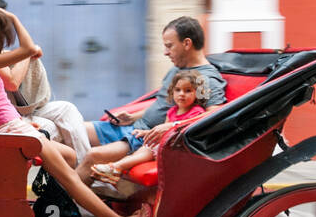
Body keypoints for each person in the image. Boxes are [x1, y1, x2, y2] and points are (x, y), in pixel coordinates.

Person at [0, 6, 149, 217]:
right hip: (14, 131)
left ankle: (59, 204)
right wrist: (15, 18)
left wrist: (22, 124)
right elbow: (28, 49)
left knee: (69, 157)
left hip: (15, 127)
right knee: (71, 179)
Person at [76, 15, 227, 183]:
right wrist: (132, 117)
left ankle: (64, 206)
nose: (165, 52)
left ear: (186, 44)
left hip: (145, 139)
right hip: (133, 127)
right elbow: (162, 104)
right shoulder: (177, 70)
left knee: (92, 156)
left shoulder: (206, 78)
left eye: (169, 46)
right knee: (71, 128)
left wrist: (171, 126)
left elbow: (214, 114)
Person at [0, 0, 92, 159]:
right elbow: (12, 82)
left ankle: (85, 167)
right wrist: (27, 52)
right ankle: (80, 171)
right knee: (51, 129)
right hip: (6, 121)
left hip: (16, 111)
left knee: (67, 109)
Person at [92, 70, 209, 184]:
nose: (181, 94)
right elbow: (164, 129)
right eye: (178, 90)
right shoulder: (172, 111)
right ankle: (115, 169)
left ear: (197, 94)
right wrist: (147, 133)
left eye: (188, 90)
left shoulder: (196, 112)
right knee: (145, 147)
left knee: (147, 150)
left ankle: (115, 167)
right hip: (163, 144)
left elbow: (186, 132)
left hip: (177, 148)